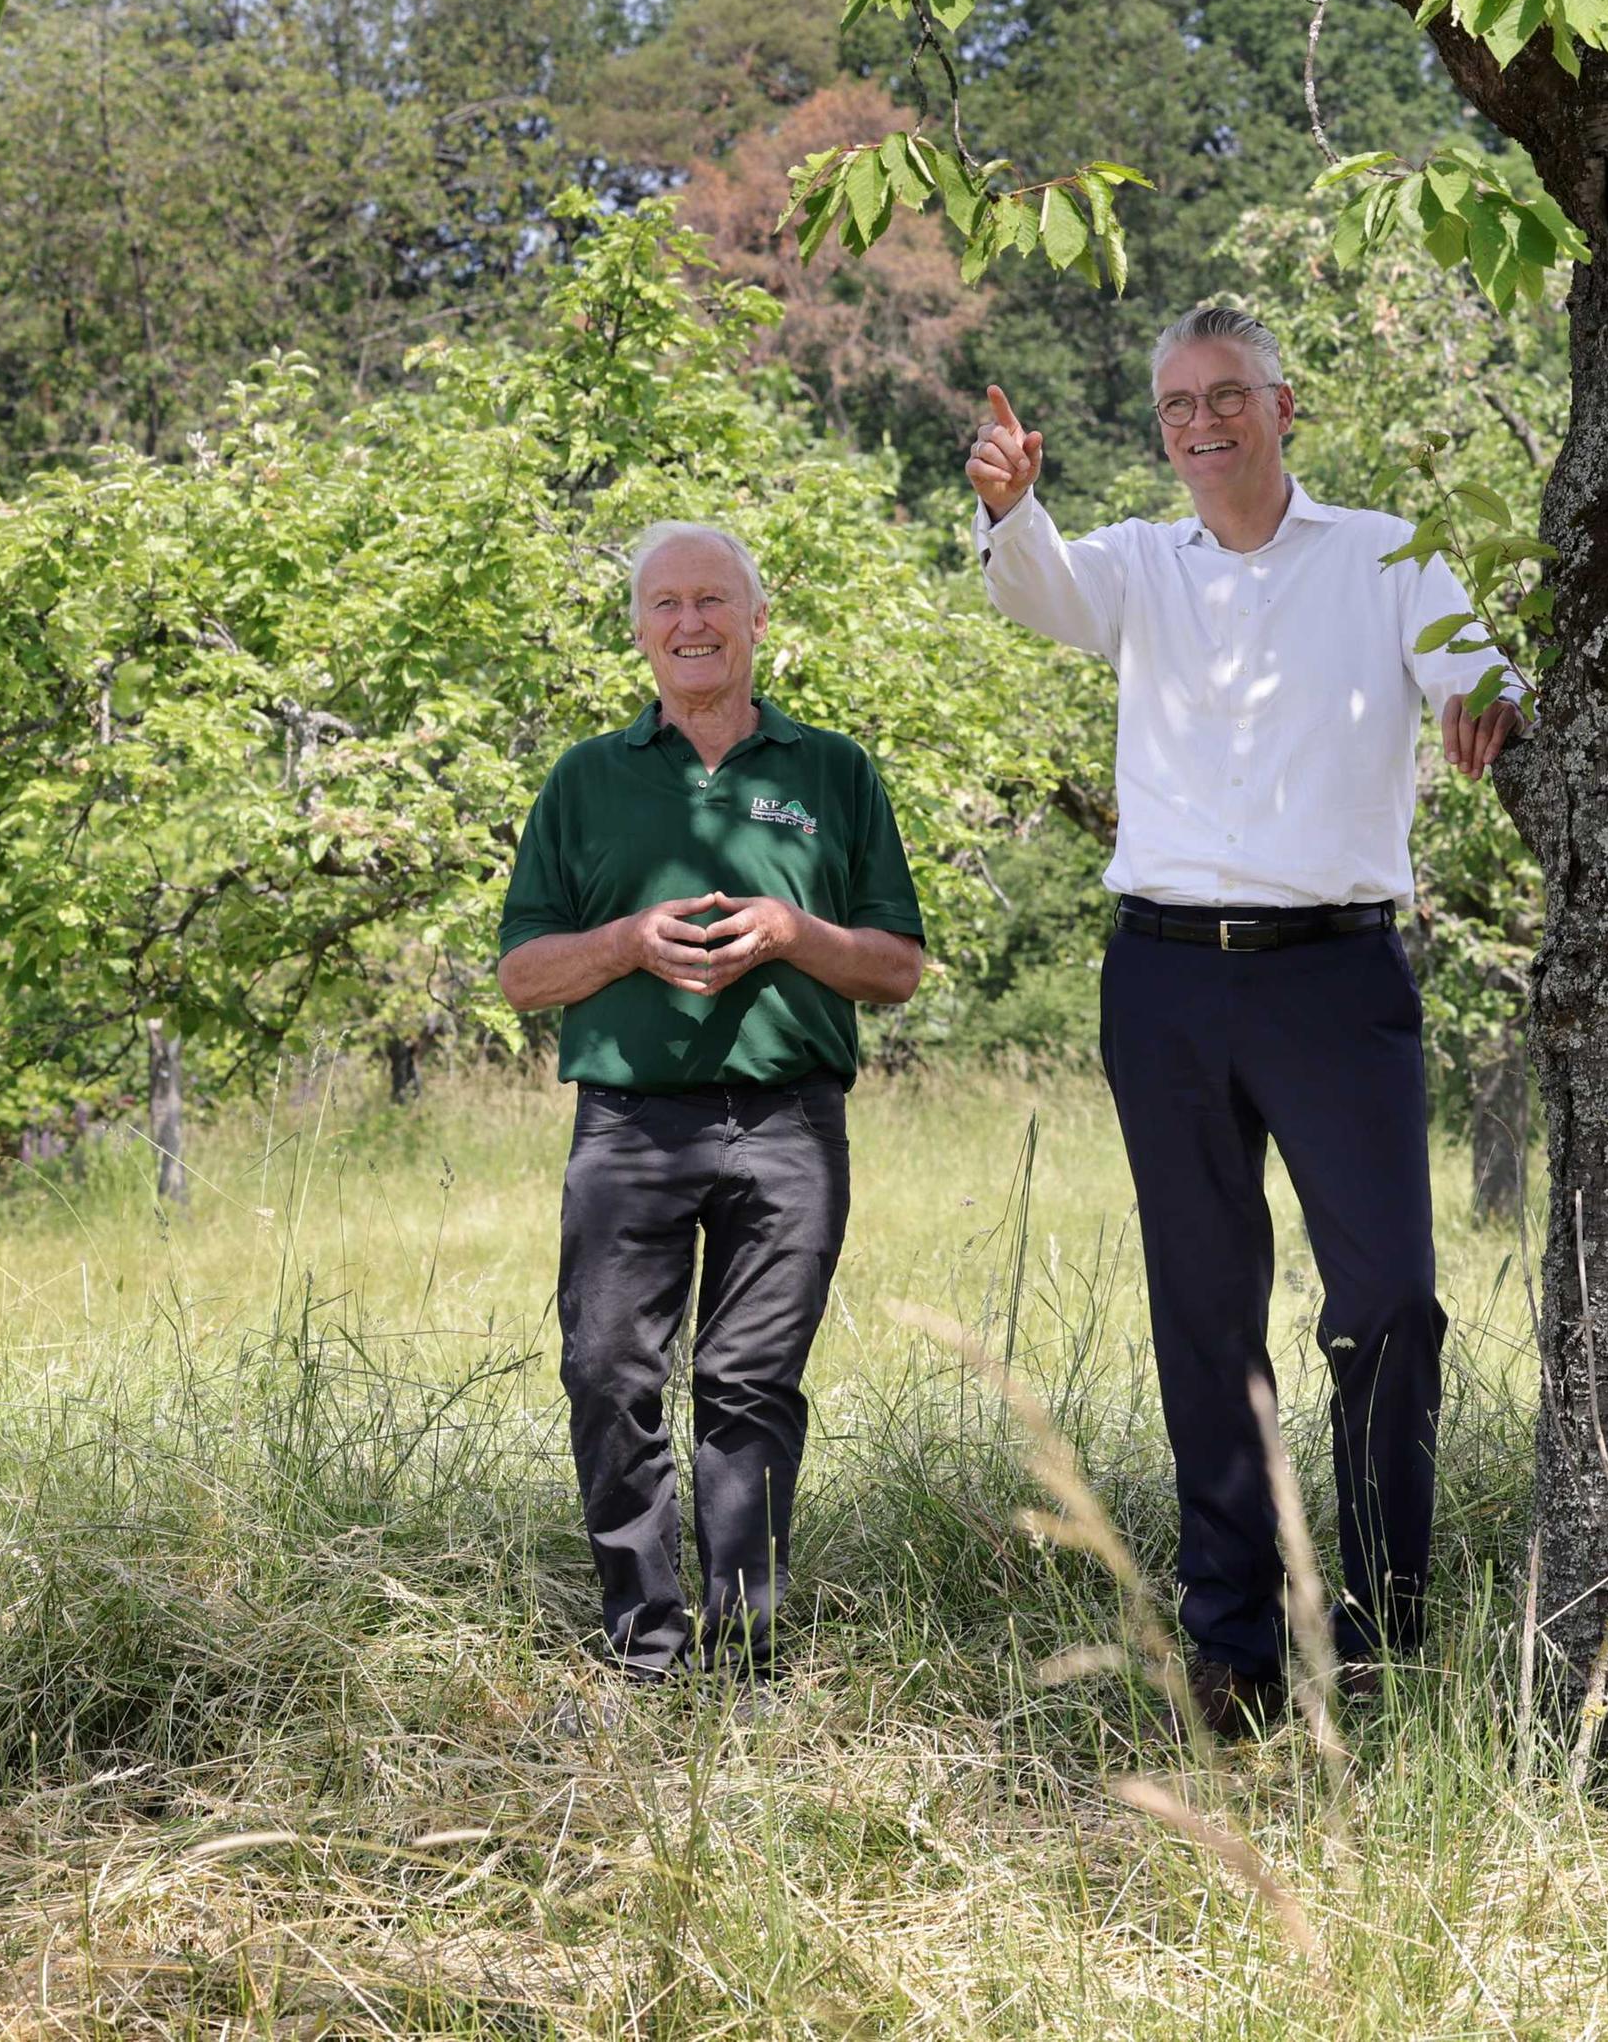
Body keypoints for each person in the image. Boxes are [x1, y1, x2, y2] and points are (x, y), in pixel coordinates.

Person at [968, 305, 1520, 1733]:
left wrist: (1486, 701)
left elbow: (1480, 674)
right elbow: (1036, 595)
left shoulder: (1387, 550)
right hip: (1161, 977)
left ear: (1286, 406)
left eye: (1225, 397)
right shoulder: (1139, 563)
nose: (1200, 423)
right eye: (1174, 406)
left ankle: (1388, 1616)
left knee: (1389, 1301)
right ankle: (1233, 1643)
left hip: (1336, 975)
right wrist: (1012, 506)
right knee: (1206, 1313)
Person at [497, 522, 928, 1680]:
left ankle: (746, 1657)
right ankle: (646, 1647)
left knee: (748, 1385)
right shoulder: (586, 778)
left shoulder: (830, 769)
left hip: (789, 1124)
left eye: (713, 600)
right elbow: (521, 972)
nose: (691, 622)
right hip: (627, 1125)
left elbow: (895, 967)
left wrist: (793, 931)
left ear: (757, 618)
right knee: (609, 1376)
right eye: (666, 603)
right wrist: (629, 942)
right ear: (638, 629)